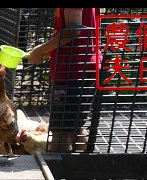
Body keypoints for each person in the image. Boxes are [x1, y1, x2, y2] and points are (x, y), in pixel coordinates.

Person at [26, 8, 101, 152]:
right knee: (77, 126)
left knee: (61, 132)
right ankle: (80, 170)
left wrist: (41, 49)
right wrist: (50, 50)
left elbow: (74, 30)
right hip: (85, 63)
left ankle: (57, 172)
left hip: (72, 68)